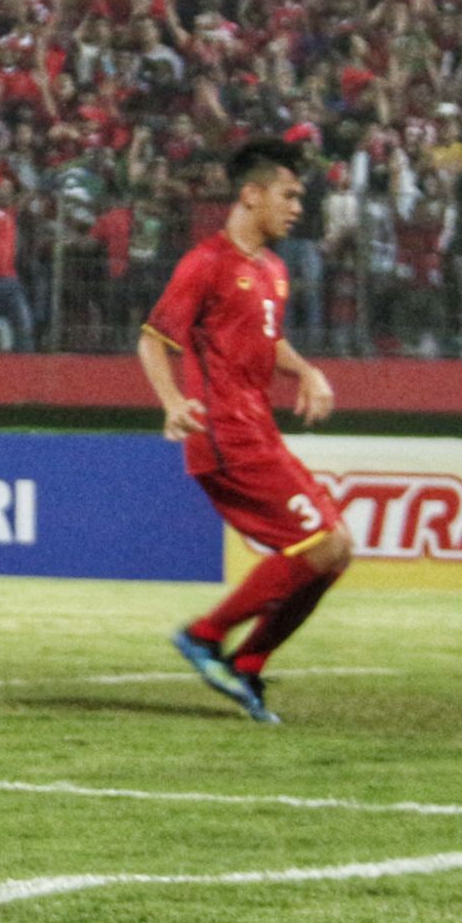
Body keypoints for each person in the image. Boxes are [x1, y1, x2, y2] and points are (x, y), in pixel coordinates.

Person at [140, 138, 353, 725]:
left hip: (258, 432)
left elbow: (263, 336)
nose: (297, 207)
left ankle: (249, 665)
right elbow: (154, 339)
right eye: (288, 194)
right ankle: (206, 637)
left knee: (334, 554)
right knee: (323, 545)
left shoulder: (273, 270)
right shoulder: (205, 263)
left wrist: (306, 370)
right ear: (251, 194)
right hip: (225, 436)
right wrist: (172, 401)